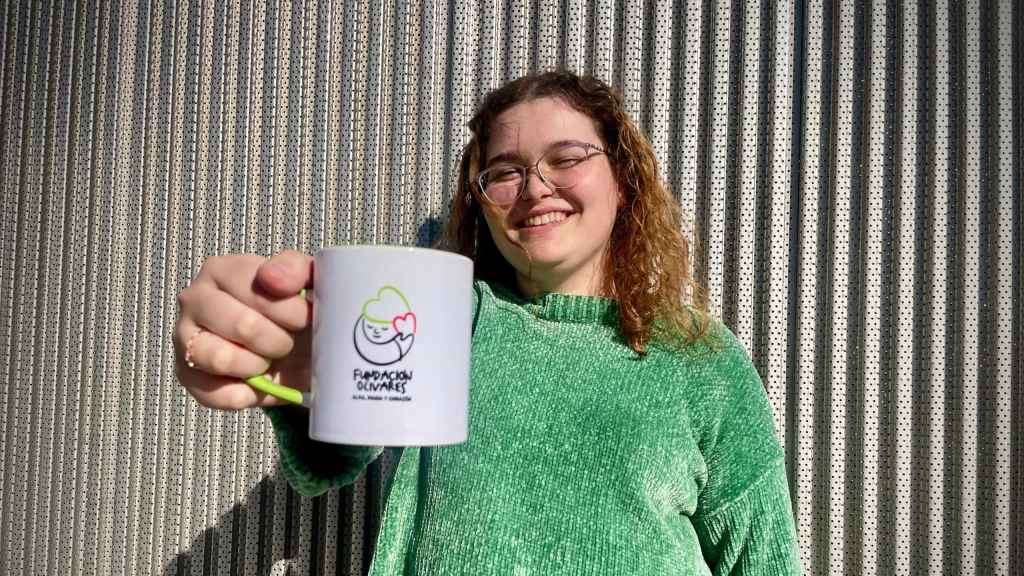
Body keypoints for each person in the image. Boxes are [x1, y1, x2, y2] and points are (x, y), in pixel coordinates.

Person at [175, 70, 803, 575]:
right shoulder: (451, 319)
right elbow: (338, 450)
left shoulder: (698, 353)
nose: (535, 188)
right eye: (504, 171)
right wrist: (305, 383)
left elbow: (762, 555)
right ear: (481, 201)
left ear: (623, 179)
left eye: (566, 158)